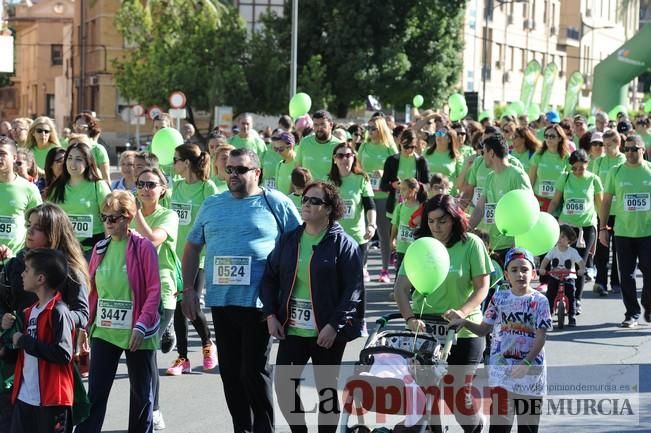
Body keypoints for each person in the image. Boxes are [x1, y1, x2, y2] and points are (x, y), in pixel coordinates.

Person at [181, 148, 301, 433]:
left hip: (260, 304)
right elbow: (192, 247)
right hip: (222, 302)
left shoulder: (276, 203)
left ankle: (263, 428)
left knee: (254, 372)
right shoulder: (212, 204)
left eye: (241, 169)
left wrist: (289, 293)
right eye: (229, 169)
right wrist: (188, 289)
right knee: (231, 374)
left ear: (256, 172)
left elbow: (298, 244)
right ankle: (241, 428)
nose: (233, 175)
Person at [261, 181, 363, 433]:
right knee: (284, 385)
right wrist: (271, 314)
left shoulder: (343, 244)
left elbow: (353, 290)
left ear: (329, 209)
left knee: (326, 392)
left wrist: (333, 326)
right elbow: (269, 277)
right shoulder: (289, 239)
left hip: (326, 332)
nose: (306, 204)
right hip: (292, 328)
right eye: (305, 199)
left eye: (314, 201)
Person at [395, 194, 492, 433]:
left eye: (442, 221)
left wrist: (462, 312)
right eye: (431, 221)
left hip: (463, 331)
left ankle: (476, 426)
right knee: (426, 394)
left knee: (456, 396)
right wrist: (409, 319)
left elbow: (482, 287)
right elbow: (401, 288)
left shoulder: (471, 244)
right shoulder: (420, 247)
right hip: (425, 329)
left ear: (455, 219)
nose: (436, 227)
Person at [75, 191, 161, 433]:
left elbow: (154, 291)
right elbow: (92, 292)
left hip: (138, 331)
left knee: (141, 394)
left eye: (114, 218)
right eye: (105, 217)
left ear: (128, 217)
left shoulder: (143, 247)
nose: (109, 223)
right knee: (96, 392)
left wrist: (141, 325)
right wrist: (85, 326)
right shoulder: (100, 248)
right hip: (105, 330)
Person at [448, 248, 551, 433]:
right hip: (502, 376)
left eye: (525, 269)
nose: (520, 274)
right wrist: (464, 322)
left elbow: (541, 336)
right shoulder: (499, 297)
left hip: (531, 376)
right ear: (506, 274)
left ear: (534, 273)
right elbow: (483, 329)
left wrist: (527, 362)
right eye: (514, 270)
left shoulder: (540, 301)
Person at [6, 248, 75, 433]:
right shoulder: (29, 312)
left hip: (52, 401)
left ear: (40, 279)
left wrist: (24, 341)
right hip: (25, 397)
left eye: (27, 270)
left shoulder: (58, 311)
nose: (22, 273)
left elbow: (63, 353)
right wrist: (8, 350)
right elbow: (26, 355)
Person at [131, 168, 179, 430]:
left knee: (148, 354)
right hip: (132, 290)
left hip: (161, 290)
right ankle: (140, 410)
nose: (145, 188)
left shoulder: (168, 215)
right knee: (136, 354)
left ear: (163, 189)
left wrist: (133, 212)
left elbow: (151, 240)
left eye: (151, 184)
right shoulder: (128, 215)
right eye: (141, 184)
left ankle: (155, 409)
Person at [167, 144, 218, 375]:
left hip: (199, 257)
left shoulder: (208, 188)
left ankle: (208, 344)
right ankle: (182, 358)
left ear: (186, 163)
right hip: (176, 258)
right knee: (179, 307)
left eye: (175, 159)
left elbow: (215, 221)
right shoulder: (175, 187)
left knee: (193, 302)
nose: (173, 164)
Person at [599, 135, 651, 328]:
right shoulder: (616, 171)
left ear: (643, 149)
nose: (629, 153)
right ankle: (632, 313)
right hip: (623, 232)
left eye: (634, 149)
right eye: (627, 149)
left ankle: (647, 303)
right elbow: (606, 202)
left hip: (648, 232)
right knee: (626, 275)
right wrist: (603, 228)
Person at [547, 149, 603, 305]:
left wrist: (603, 225)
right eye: (574, 168)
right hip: (566, 227)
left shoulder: (594, 180)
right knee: (559, 264)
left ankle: (576, 300)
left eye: (581, 168)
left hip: (586, 228)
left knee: (579, 264)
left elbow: (600, 205)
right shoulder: (564, 178)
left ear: (587, 164)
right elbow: (555, 201)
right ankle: (554, 298)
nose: (578, 171)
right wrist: (545, 217)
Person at [470, 134, 532, 262]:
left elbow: (529, 210)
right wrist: (466, 230)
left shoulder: (517, 175)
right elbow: (480, 209)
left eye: (484, 152)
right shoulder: (490, 177)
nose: (482, 157)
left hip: (512, 247)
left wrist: (518, 245)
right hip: (492, 244)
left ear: (491, 153)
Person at [379, 128, 429, 282]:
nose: (409, 150)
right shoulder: (392, 160)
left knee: (412, 244)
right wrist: (394, 185)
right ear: (400, 144)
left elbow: (427, 183)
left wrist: (414, 186)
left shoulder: (420, 161)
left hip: (415, 208)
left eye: (412, 147)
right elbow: (383, 185)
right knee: (391, 239)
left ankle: (413, 280)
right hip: (395, 206)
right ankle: (386, 269)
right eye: (406, 147)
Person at [45, 141, 111, 258]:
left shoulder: (98, 186)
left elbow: (109, 219)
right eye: (69, 158)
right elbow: (49, 219)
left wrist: (109, 249)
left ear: (88, 162)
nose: (73, 164)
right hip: (63, 249)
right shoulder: (56, 187)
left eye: (79, 159)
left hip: (93, 249)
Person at [357, 116, 398, 284]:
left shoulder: (389, 148)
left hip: (384, 197)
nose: (370, 131)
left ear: (381, 129)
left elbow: (398, 170)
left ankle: (385, 270)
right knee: (364, 233)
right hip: (366, 195)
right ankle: (363, 267)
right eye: (368, 127)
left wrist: (383, 173)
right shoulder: (364, 147)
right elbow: (357, 167)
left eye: (373, 128)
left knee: (383, 234)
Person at [328, 143, 376, 282]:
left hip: (357, 238)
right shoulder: (329, 181)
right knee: (336, 280)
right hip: (335, 237)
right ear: (334, 159)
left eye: (348, 155)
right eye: (340, 155)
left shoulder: (362, 179)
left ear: (353, 157)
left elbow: (370, 205)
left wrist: (372, 225)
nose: (344, 159)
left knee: (356, 282)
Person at [591, 129, 626, 295]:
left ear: (618, 144)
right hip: (602, 212)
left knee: (618, 250)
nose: (605, 148)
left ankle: (616, 282)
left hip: (620, 213)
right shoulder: (598, 162)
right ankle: (601, 282)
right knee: (602, 250)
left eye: (609, 145)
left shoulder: (624, 160)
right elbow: (592, 185)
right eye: (604, 145)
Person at [0, 137, 42, 257]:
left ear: (14, 158)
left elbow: (39, 225)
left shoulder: (29, 189)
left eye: (2, 154)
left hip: (16, 260)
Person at [528, 124, 571, 213]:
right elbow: (531, 179)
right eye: (546, 136)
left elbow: (569, 182)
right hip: (538, 201)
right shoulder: (538, 155)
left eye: (552, 136)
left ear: (560, 138)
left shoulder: (567, 157)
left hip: (557, 203)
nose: (548, 139)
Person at [390, 178, 426, 274]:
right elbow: (395, 225)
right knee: (400, 273)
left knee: (415, 274)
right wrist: (392, 240)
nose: (400, 192)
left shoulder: (421, 208)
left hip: (416, 248)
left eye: (403, 189)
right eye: (400, 189)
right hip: (401, 247)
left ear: (413, 190)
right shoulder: (400, 207)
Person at [295, 110, 342, 182]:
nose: (319, 128)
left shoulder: (339, 146)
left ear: (331, 125)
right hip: (307, 191)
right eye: (316, 125)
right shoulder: (305, 142)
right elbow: (297, 169)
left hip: (329, 191)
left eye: (323, 124)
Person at [423, 124, 463, 195]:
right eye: (437, 133)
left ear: (449, 139)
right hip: (429, 197)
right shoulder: (426, 152)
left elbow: (461, 179)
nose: (438, 135)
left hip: (448, 197)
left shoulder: (456, 156)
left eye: (442, 133)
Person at [73, 114, 111, 183]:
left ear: (90, 129)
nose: (78, 129)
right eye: (76, 126)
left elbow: (106, 178)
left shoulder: (98, 149)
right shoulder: (71, 147)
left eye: (81, 127)